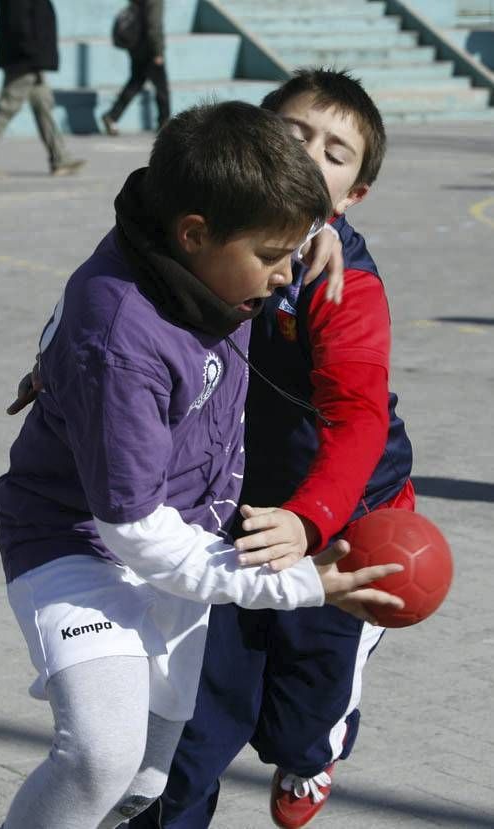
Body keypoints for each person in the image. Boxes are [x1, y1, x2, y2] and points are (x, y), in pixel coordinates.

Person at [0, 100, 405, 829]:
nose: (286, 275)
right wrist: (303, 582)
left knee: (148, 775)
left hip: (189, 537)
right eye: (276, 254)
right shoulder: (123, 341)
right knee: (98, 754)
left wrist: (319, 231)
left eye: (296, 245)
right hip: (85, 543)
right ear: (195, 234)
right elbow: (135, 532)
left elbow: (355, 404)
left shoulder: (202, 241)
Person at [129, 69, 415, 829]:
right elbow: (150, 201)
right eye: (292, 134)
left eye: (336, 152)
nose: (310, 155)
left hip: (341, 519)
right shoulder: (206, 237)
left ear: (352, 196)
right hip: (231, 513)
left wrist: (311, 519)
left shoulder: (342, 281)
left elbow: (356, 418)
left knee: (299, 710)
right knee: (191, 728)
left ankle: (312, 752)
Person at [0, 0, 85, 178]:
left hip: (30, 59)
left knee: (43, 106)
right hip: (24, 59)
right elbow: (17, 22)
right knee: (8, 107)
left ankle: (60, 159)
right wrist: (30, 52)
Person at [102, 0, 170, 136]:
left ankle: (112, 116)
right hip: (149, 49)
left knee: (135, 82)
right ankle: (165, 124)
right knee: (161, 87)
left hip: (136, 46)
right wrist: (158, 52)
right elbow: (154, 25)